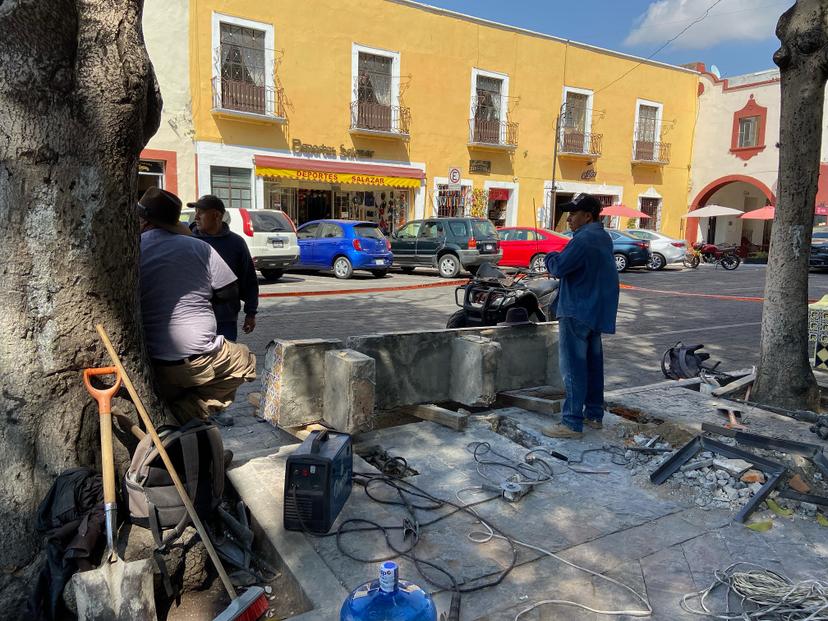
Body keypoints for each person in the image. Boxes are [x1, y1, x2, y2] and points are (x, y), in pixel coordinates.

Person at [136, 187, 256, 424]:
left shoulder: (133, 248)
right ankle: (192, 411)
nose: (198, 217)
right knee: (246, 360)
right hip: (196, 357)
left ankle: (185, 419)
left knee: (184, 385)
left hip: (151, 358)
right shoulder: (199, 247)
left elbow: (247, 281)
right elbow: (230, 291)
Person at [542, 194, 619, 439]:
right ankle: (594, 415)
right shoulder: (602, 237)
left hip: (577, 310)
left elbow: (560, 267)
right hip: (595, 310)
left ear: (588, 215)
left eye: (574, 214)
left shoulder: (583, 239)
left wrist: (550, 256)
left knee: (573, 367)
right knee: (593, 366)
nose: (569, 219)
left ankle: (571, 423)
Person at [189, 194, 258, 341]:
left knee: (225, 360)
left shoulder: (236, 243)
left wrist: (250, 313)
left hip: (225, 319)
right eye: (195, 212)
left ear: (216, 215)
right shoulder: (187, 241)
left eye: (200, 212)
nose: (196, 217)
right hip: (193, 319)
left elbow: (249, 280)